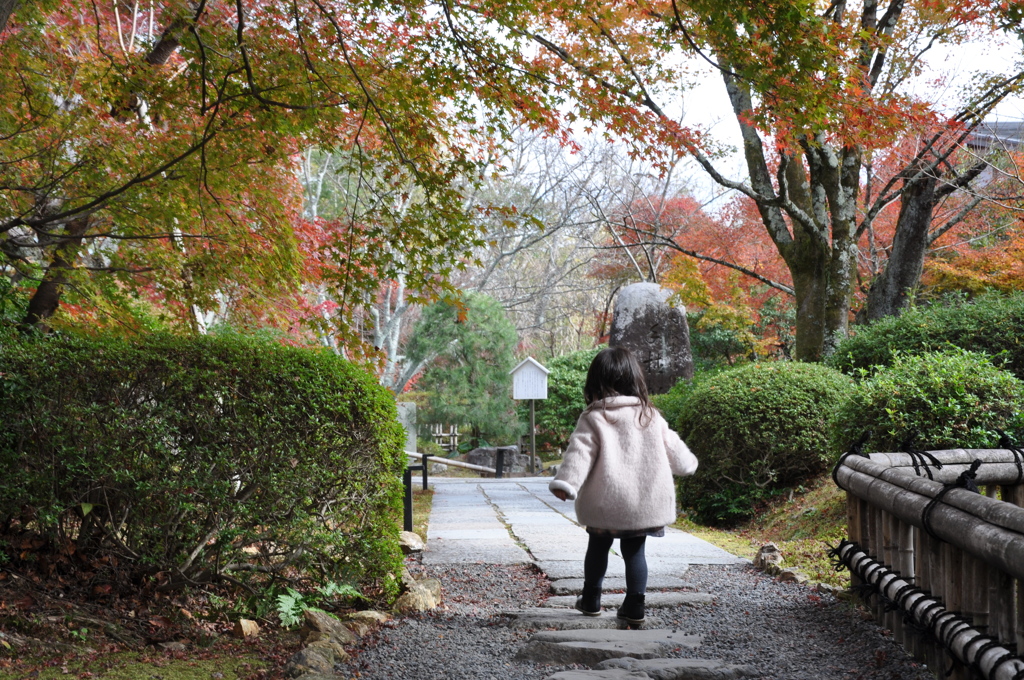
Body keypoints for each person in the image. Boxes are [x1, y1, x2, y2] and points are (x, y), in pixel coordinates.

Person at [549, 346, 698, 625]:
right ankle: (634, 605)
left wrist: (566, 484)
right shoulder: (650, 416)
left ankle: (591, 599)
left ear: (594, 382)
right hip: (644, 503)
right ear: (634, 380)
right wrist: (689, 464)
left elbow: (579, 453)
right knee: (635, 552)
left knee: (598, 546)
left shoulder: (594, 417)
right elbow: (677, 453)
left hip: (605, 502)